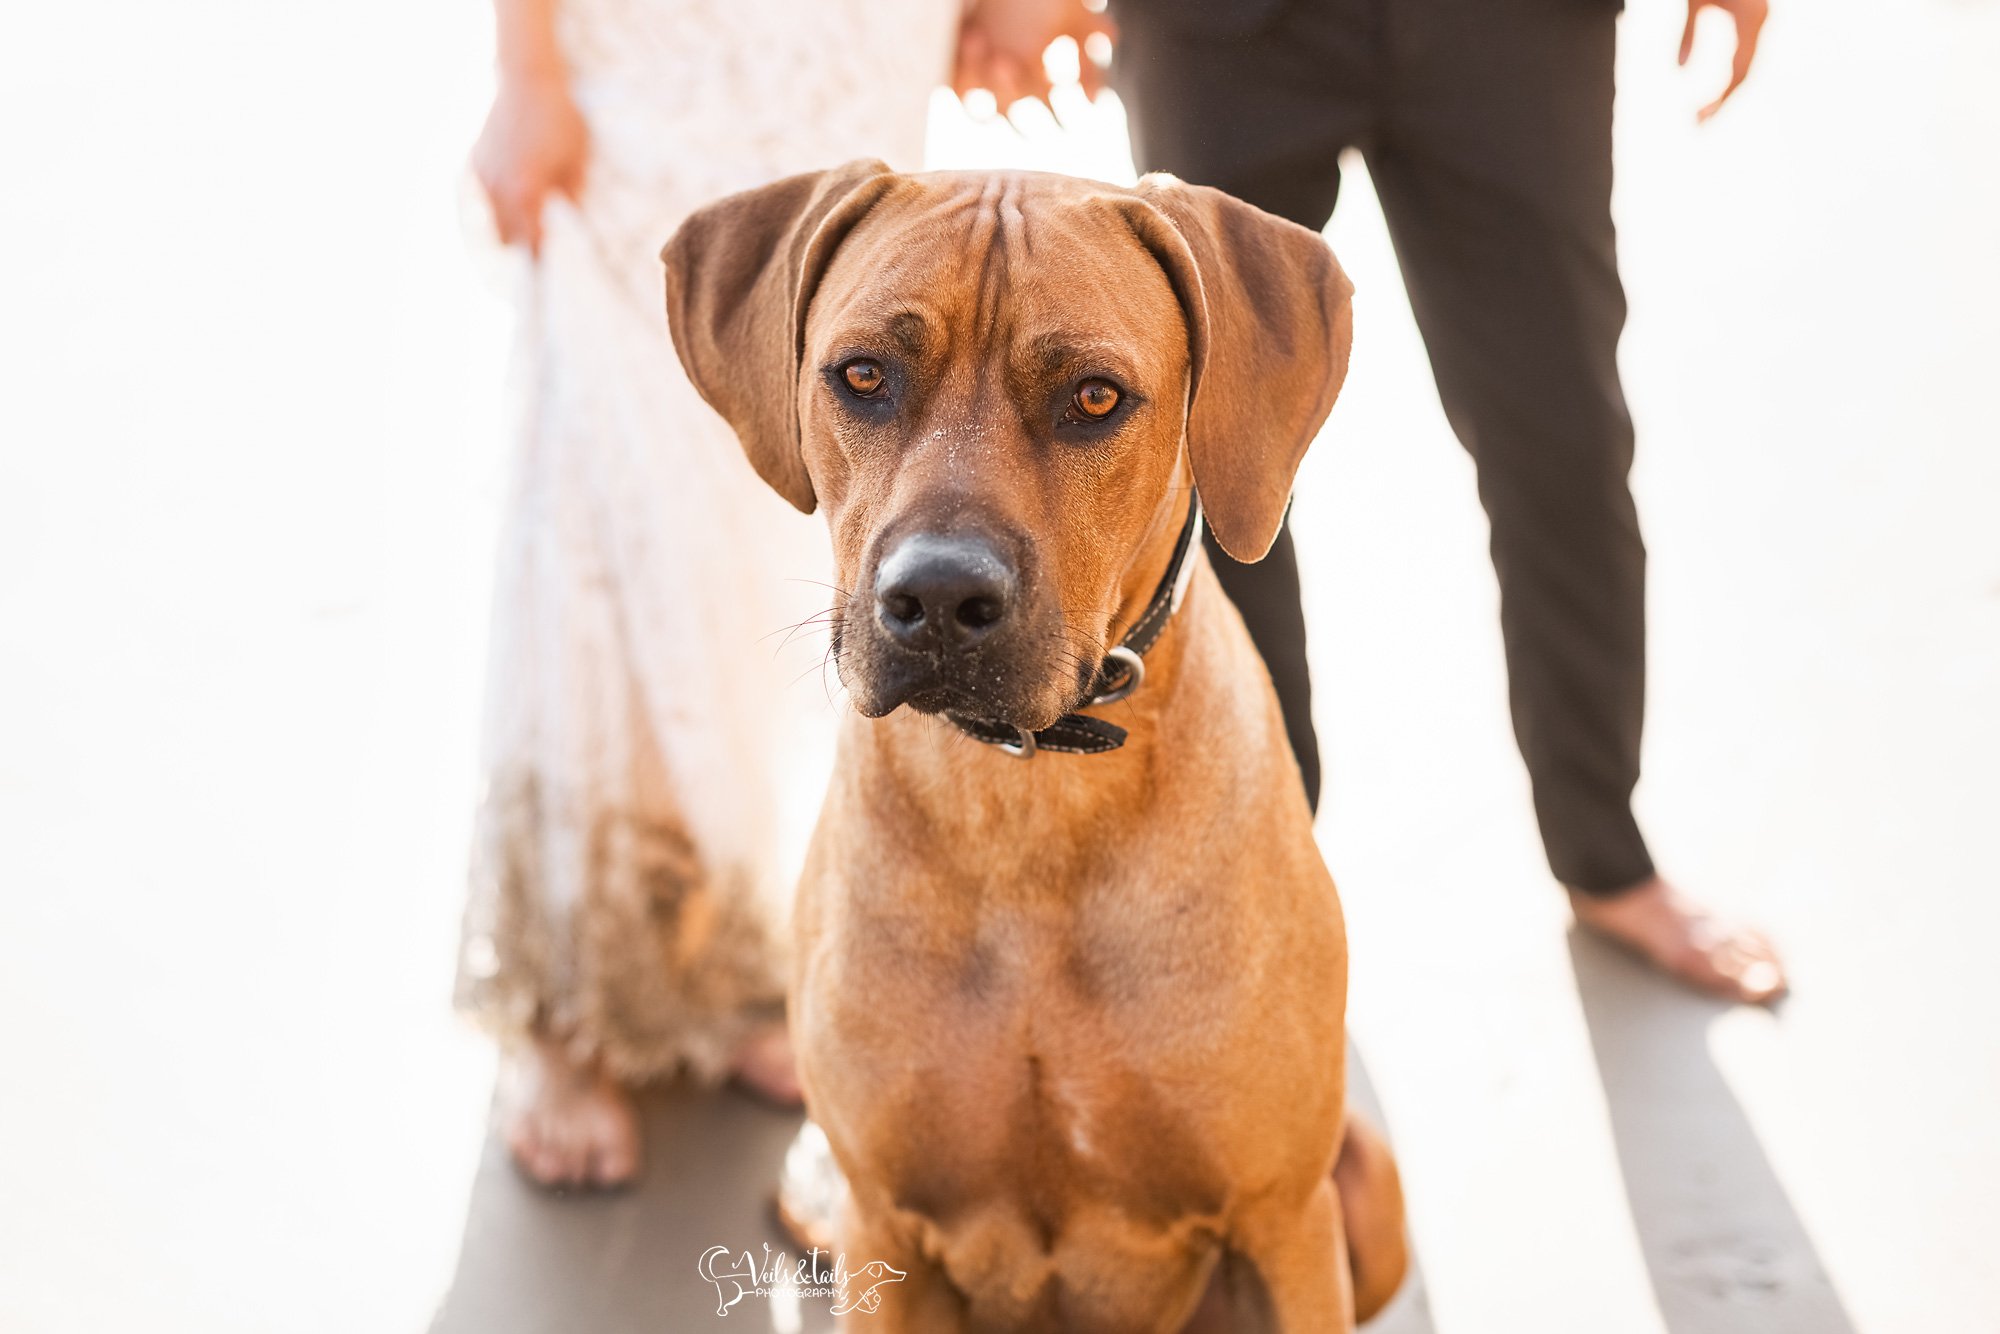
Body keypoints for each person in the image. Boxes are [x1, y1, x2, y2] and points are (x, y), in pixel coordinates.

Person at [956, 0, 1786, 1004]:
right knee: (1210, 450)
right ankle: (1256, 862)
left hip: (1511, 31)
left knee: (1563, 434)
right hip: (1221, 30)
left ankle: (1604, 855)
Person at [456, 0, 957, 1188]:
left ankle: (730, 946)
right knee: (610, 475)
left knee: (804, 468)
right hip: (657, 49)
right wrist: (524, 66)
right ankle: (574, 993)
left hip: (856, 50)